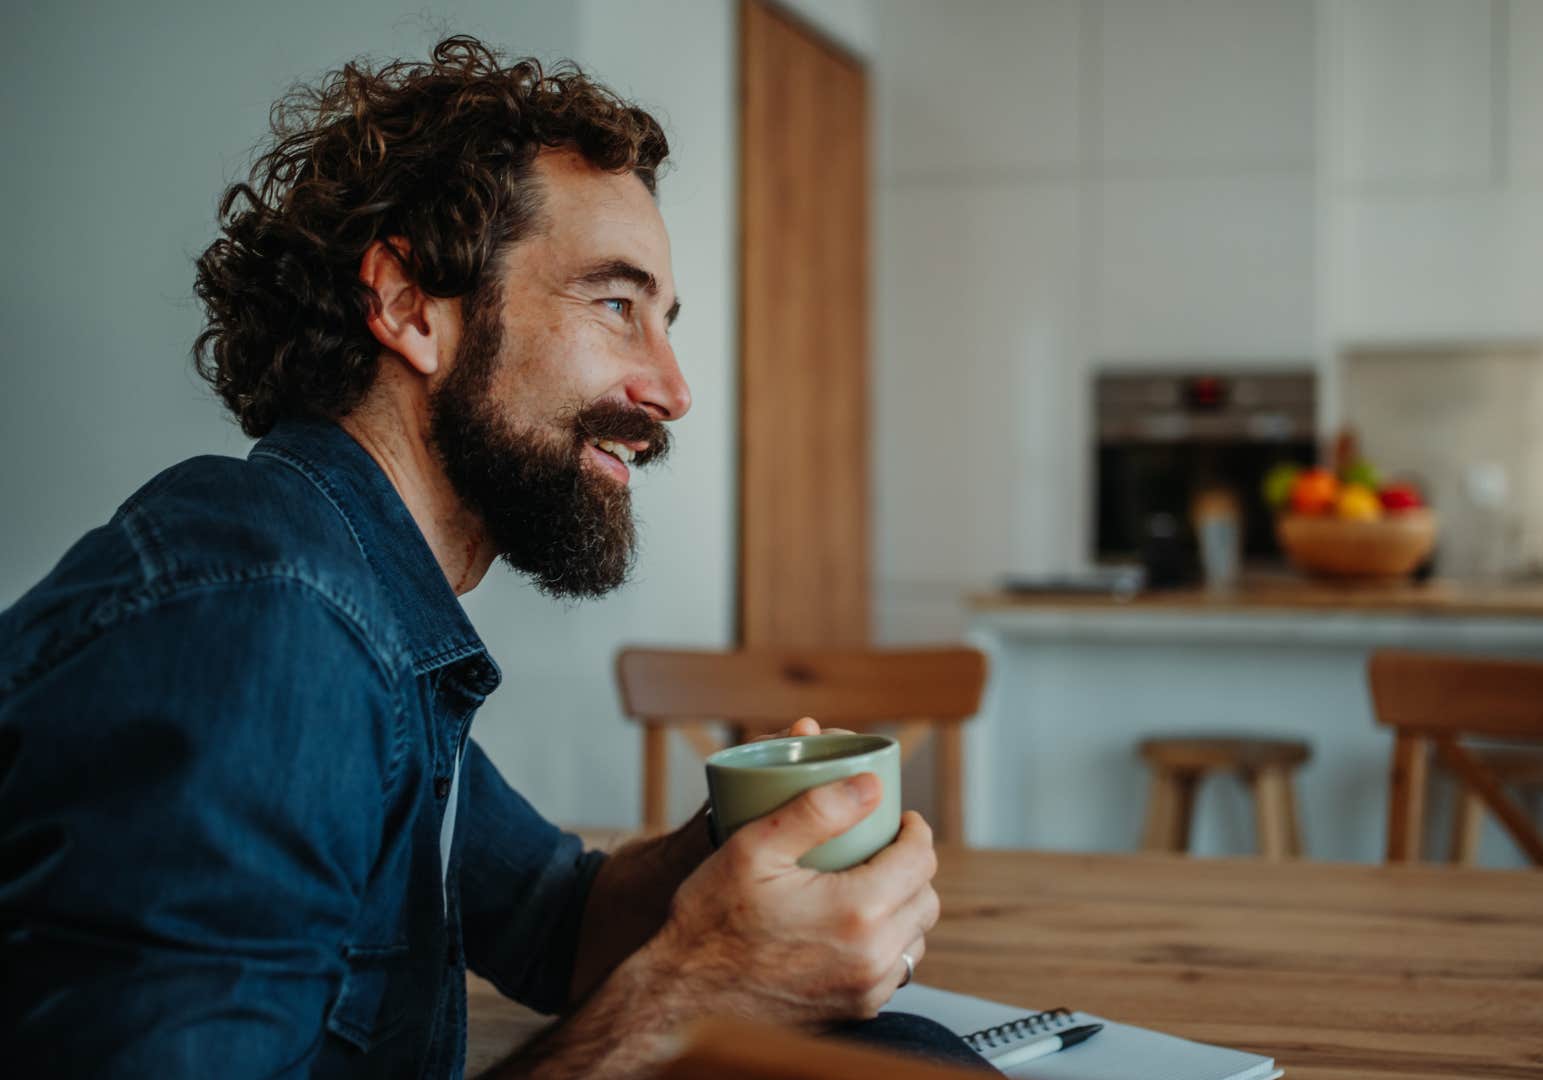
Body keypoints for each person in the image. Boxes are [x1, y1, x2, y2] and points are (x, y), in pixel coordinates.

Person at [0, 36, 980, 1077]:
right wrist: (698, 988)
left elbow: (560, 922)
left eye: (665, 320)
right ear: (412, 307)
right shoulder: (266, 627)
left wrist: (730, 857)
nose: (674, 387)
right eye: (616, 304)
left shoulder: (371, 608)